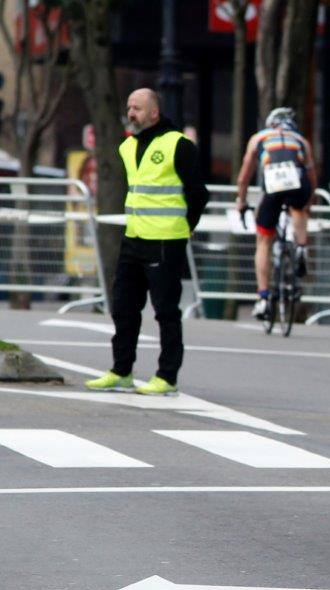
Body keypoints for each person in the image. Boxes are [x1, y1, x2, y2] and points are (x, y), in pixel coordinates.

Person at [85, 88, 208, 396]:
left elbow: (198, 193)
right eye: (128, 107)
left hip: (166, 240)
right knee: (123, 307)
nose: (130, 113)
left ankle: (167, 377)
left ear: (154, 112)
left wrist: (187, 225)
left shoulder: (178, 144)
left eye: (137, 108)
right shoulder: (127, 147)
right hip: (134, 237)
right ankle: (121, 371)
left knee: (165, 311)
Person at [235, 107, 317, 320]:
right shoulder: (300, 141)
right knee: (298, 208)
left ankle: (263, 298)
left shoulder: (258, 138)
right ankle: (300, 247)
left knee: (263, 241)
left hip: (272, 186)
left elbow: (244, 176)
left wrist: (241, 201)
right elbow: (312, 177)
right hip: (298, 183)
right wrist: (308, 203)